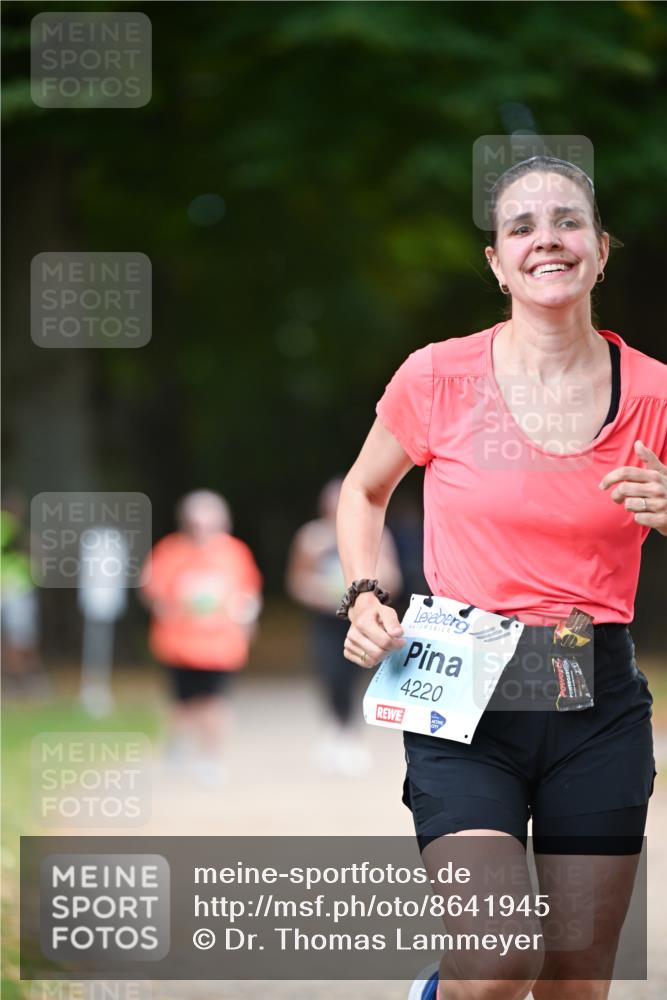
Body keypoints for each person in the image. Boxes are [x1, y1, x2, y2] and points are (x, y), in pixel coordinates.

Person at [335, 156, 667, 1000]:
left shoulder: (657, 394)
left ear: (598, 249)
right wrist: (365, 592)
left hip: (595, 698)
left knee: (574, 980)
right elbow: (365, 491)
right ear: (495, 260)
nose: (544, 239)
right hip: (462, 690)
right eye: (520, 226)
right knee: (492, 966)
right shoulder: (437, 376)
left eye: (565, 222)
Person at [141, 489, 262, 787]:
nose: (202, 528)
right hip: (179, 644)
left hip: (220, 646)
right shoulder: (170, 551)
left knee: (215, 702)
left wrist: (247, 617)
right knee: (181, 703)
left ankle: (211, 758)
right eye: (196, 520)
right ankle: (178, 746)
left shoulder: (235, 553)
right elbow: (153, 590)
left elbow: (248, 594)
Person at [286, 477, 402, 775]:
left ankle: (350, 733)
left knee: (354, 676)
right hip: (326, 618)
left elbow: (392, 577)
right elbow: (297, 581)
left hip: (362, 617)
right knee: (329, 673)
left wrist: (366, 595)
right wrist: (321, 594)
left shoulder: (378, 535)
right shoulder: (311, 538)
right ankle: (335, 728)